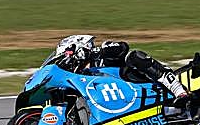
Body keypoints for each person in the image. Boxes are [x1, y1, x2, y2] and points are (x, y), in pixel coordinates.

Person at [52, 34, 190, 101]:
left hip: (141, 83)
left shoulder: (102, 54)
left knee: (134, 56)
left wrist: (99, 51)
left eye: (66, 54)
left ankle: (177, 88)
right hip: (120, 102)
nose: (66, 59)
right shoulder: (79, 77)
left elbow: (123, 47)